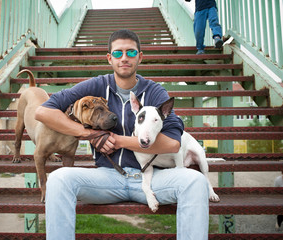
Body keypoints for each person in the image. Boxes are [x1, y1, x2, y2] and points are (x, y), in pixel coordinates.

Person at [35, 29, 209, 240]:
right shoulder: (97, 85)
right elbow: (42, 111)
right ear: (109, 58)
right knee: (58, 179)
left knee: (195, 181)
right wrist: (88, 134)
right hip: (107, 177)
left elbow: (173, 143)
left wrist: (117, 141)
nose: (124, 58)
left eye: (131, 52)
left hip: (153, 176)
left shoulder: (154, 92)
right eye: (118, 53)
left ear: (140, 57)